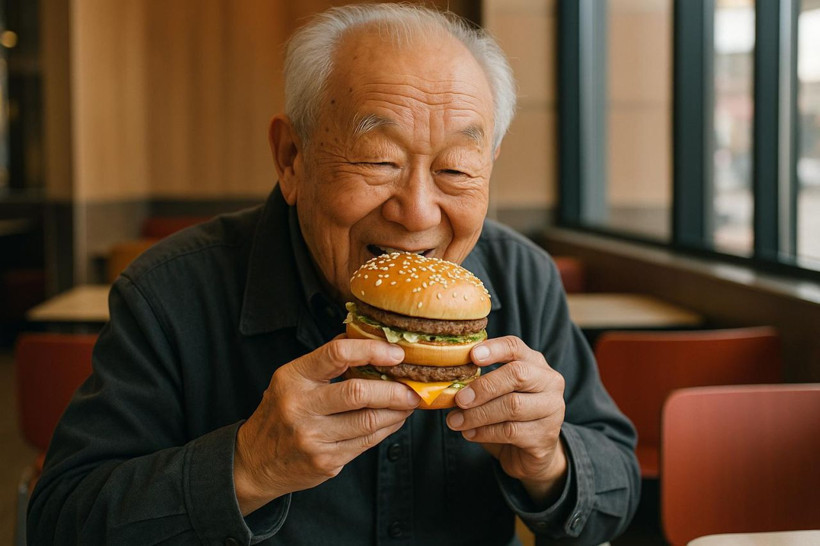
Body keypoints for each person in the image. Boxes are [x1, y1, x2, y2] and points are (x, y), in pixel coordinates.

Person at [28, 4, 640, 545]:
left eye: (455, 170)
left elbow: (617, 490)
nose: (418, 212)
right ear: (291, 158)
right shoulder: (171, 291)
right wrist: (246, 467)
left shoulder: (522, 277)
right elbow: (61, 522)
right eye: (379, 161)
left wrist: (548, 462)